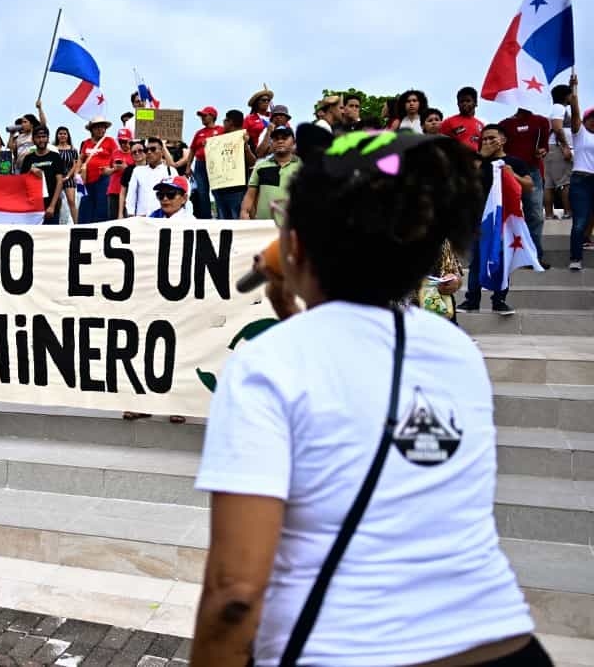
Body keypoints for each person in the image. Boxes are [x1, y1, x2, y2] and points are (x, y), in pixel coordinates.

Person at [193, 128, 548, 667]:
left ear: (297, 246)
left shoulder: (265, 365)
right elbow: (362, 353)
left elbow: (235, 594)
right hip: (506, 648)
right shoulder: (456, 351)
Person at [459, 124, 533, 315]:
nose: (488, 142)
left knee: (502, 259)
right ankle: (472, 301)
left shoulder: (514, 161)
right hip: (480, 218)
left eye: (492, 138)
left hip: (504, 220)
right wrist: (482, 155)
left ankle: (499, 300)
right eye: (484, 139)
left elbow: (529, 186)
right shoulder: (477, 160)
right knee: (476, 260)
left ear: (503, 140)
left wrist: (512, 174)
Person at [500, 107, 551, 267]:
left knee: (535, 215)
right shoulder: (504, 124)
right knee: (505, 215)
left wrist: (542, 151)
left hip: (532, 172)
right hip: (508, 171)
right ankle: (505, 255)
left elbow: (544, 146)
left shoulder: (541, 121)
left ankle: (533, 257)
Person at [174, 107, 225, 219]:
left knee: (218, 191)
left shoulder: (222, 130)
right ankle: (205, 218)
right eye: (201, 116)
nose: (202, 118)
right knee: (202, 192)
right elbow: (192, 150)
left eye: (204, 115)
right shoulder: (199, 133)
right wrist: (188, 167)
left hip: (217, 164)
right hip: (200, 164)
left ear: (212, 116)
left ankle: (222, 217)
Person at [241, 126, 301, 221]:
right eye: (276, 139)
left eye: (284, 138)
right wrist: (244, 212)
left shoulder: (304, 167)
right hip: (264, 227)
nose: (280, 141)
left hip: (294, 226)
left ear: (294, 142)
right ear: (271, 143)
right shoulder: (260, 166)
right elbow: (250, 195)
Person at [567, 74, 594, 270]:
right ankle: (575, 258)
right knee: (580, 220)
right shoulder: (580, 133)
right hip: (581, 181)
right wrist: (573, 88)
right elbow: (574, 110)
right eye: (591, 118)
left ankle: (587, 238)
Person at [124, 138, 182, 218]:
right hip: (141, 219)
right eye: (146, 150)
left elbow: (178, 195)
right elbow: (131, 195)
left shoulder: (171, 171)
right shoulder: (138, 171)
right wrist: (131, 215)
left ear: (161, 151)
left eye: (153, 149)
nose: (149, 152)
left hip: (163, 218)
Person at [214, 111, 256, 220]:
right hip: (220, 187)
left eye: (225, 120)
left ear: (231, 122)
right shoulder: (219, 140)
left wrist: (245, 145)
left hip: (237, 190)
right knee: (222, 225)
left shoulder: (245, 137)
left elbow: (253, 162)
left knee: (236, 223)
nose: (223, 122)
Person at [20, 126, 66, 225]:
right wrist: (30, 171)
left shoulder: (55, 156)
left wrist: (52, 206)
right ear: (33, 140)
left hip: (51, 207)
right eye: (38, 137)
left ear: (48, 138)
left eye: (44, 137)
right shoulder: (28, 158)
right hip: (33, 209)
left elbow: (59, 182)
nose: (41, 140)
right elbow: (21, 182)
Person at [78, 116, 116, 224]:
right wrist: (77, 173)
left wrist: (111, 170)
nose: (100, 129)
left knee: (101, 208)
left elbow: (116, 158)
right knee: (87, 208)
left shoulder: (110, 141)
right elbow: (81, 159)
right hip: (87, 180)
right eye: (97, 127)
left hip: (103, 179)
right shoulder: (86, 143)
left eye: (103, 127)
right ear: (92, 130)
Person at [546, 83, 574, 221]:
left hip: (551, 149)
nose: (571, 97)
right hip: (558, 149)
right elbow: (557, 128)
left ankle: (549, 215)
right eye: (570, 94)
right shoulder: (558, 108)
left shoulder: (555, 108)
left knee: (549, 184)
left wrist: (573, 86)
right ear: (565, 96)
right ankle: (568, 213)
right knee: (565, 182)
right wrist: (565, 147)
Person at [440, 86, 485, 151]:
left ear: (475, 103)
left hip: (476, 159)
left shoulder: (481, 125)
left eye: (468, 101)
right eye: (461, 101)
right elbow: (440, 142)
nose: (464, 103)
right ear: (458, 104)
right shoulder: (448, 122)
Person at [106, 129, 135, 222]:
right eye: (121, 141)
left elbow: (138, 171)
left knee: (128, 219)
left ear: (130, 140)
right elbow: (107, 170)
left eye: (125, 141)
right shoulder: (115, 153)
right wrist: (113, 169)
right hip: (113, 190)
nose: (123, 144)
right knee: (113, 219)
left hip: (128, 191)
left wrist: (126, 168)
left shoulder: (135, 153)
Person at [55, 127, 80, 223]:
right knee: (57, 202)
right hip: (57, 178)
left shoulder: (73, 149)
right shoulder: (54, 149)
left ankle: (77, 224)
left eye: (64, 133)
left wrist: (68, 176)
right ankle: (58, 223)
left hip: (69, 177)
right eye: (60, 133)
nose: (62, 135)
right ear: (57, 135)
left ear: (68, 135)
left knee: (71, 201)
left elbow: (75, 164)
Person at [117, 141, 146, 218]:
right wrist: (120, 213)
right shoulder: (128, 170)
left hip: (149, 209)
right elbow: (122, 193)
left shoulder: (153, 168)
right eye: (134, 152)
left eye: (140, 150)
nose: (137, 153)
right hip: (131, 211)